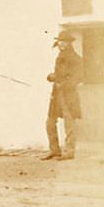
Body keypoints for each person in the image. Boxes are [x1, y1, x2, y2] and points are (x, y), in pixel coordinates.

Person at [42, 30, 83, 161]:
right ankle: (54, 150)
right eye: (60, 41)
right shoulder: (60, 56)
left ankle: (70, 151)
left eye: (64, 41)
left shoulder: (75, 58)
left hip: (68, 95)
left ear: (69, 43)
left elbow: (78, 78)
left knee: (69, 123)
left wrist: (64, 84)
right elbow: (60, 75)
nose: (61, 43)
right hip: (56, 94)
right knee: (50, 122)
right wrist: (52, 77)